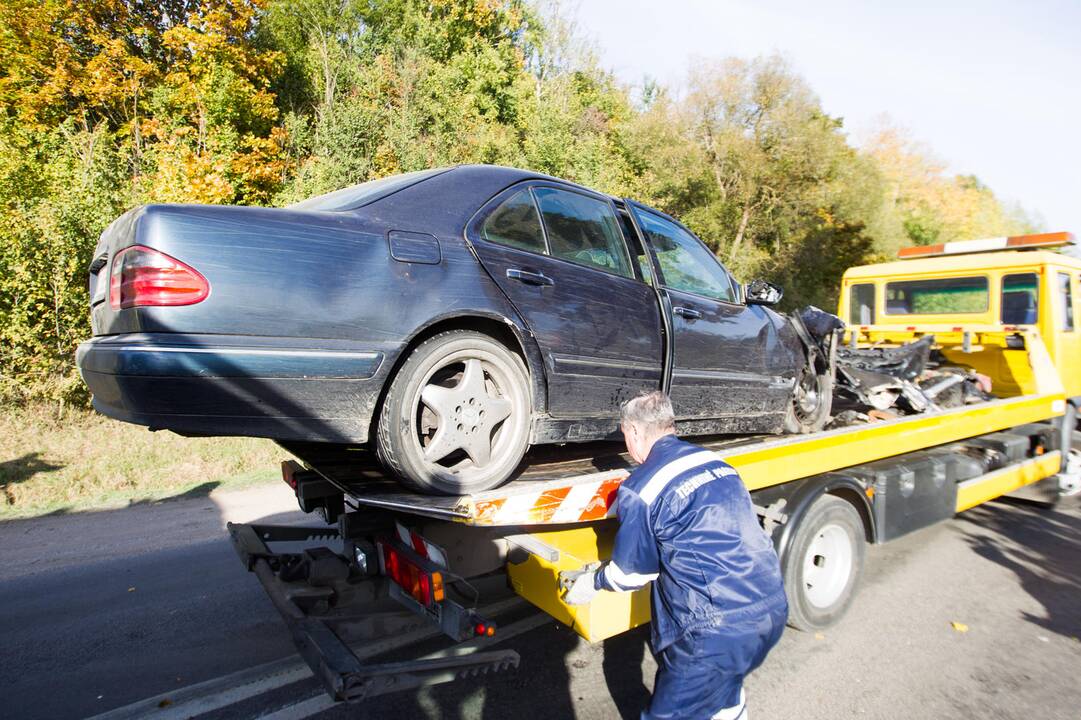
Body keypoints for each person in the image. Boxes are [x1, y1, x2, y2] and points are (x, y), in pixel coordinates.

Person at [560, 390, 788, 720]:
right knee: (724, 695)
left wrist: (591, 582)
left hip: (714, 633)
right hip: (771, 609)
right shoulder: (717, 464)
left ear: (634, 431)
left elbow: (631, 575)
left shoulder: (642, 488)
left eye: (625, 436)